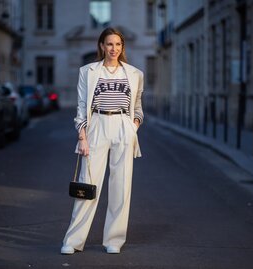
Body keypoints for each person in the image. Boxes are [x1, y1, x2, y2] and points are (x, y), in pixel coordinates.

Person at [61, 27, 144, 255]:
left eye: (118, 44)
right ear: (101, 46)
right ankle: (74, 240)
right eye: (109, 44)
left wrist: (132, 128)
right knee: (88, 183)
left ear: (122, 47)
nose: (114, 49)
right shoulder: (88, 71)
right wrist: (82, 136)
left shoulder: (135, 74)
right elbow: (80, 107)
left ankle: (114, 240)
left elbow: (137, 108)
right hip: (97, 124)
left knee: (121, 185)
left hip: (122, 127)